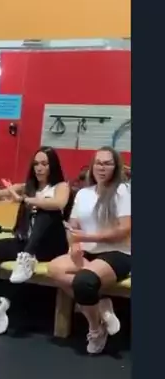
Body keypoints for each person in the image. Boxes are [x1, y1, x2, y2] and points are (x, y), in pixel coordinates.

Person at [47, 147, 131, 355]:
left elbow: (124, 230)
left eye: (108, 163)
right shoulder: (83, 193)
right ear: (92, 166)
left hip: (117, 253)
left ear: (116, 167)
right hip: (87, 252)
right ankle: (102, 306)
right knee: (55, 269)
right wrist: (74, 245)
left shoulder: (123, 191)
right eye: (98, 163)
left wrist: (86, 238)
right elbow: (72, 226)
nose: (102, 167)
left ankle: (95, 329)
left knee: (83, 282)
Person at [0, 147, 71, 334]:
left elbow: (58, 203)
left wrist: (26, 200)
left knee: (47, 210)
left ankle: (28, 256)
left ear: (52, 166)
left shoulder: (61, 186)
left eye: (44, 164)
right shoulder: (27, 187)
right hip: (27, 241)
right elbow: (1, 194)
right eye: (36, 164)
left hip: (51, 246)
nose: (39, 168)